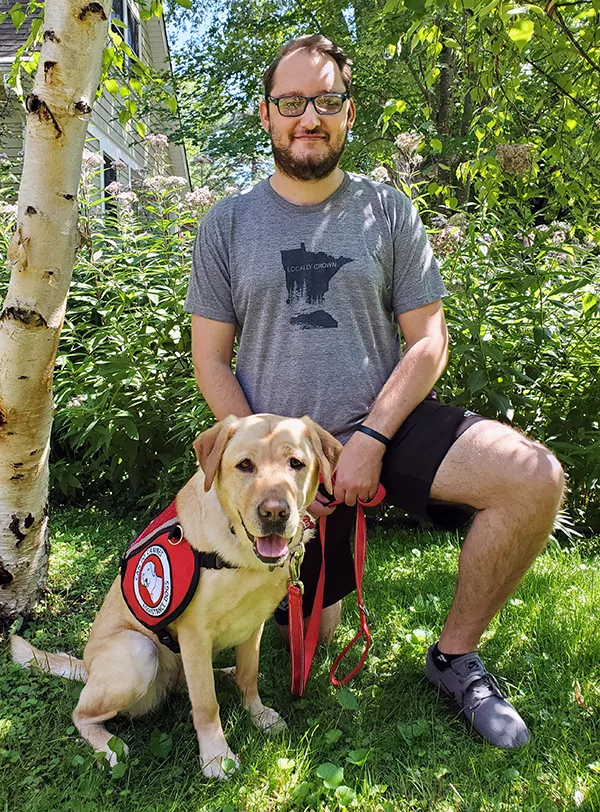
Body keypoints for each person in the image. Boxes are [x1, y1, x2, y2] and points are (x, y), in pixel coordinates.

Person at [184, 34, 564, 749]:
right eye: (291, 102)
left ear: (348, 114)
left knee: (532, 479)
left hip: (380, 428)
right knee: (312, 638)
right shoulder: (226, 224)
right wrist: (272, 469)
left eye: (326, 101)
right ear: (265, 116)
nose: (309, 117)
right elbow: (210, 359)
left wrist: (370, 440)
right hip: (283, 452)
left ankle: (455, 659)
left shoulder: (388, 212)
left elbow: (428, 341)